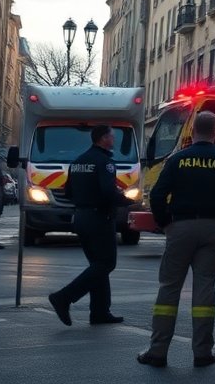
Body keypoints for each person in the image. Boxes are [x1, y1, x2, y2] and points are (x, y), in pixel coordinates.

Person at [138, 111, 215, 368]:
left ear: (193, 131)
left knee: (169, 288)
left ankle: (158, 351)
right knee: (205, 290)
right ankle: (203, 353)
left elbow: (158, 195)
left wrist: (165, 223)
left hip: (180, 227)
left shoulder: (177, 160)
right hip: (211, 229)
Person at [47, 124, 134, 326]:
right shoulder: (105, 162)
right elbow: (108, 192)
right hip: (100, 218)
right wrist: (128, 201)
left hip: (81, 217)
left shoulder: (78, 161)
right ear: (103, 138)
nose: (114, 140)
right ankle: (63, 297)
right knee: (106, 264)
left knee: (97, 265)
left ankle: (100, 312)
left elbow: (68, 192)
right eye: (112, 137)